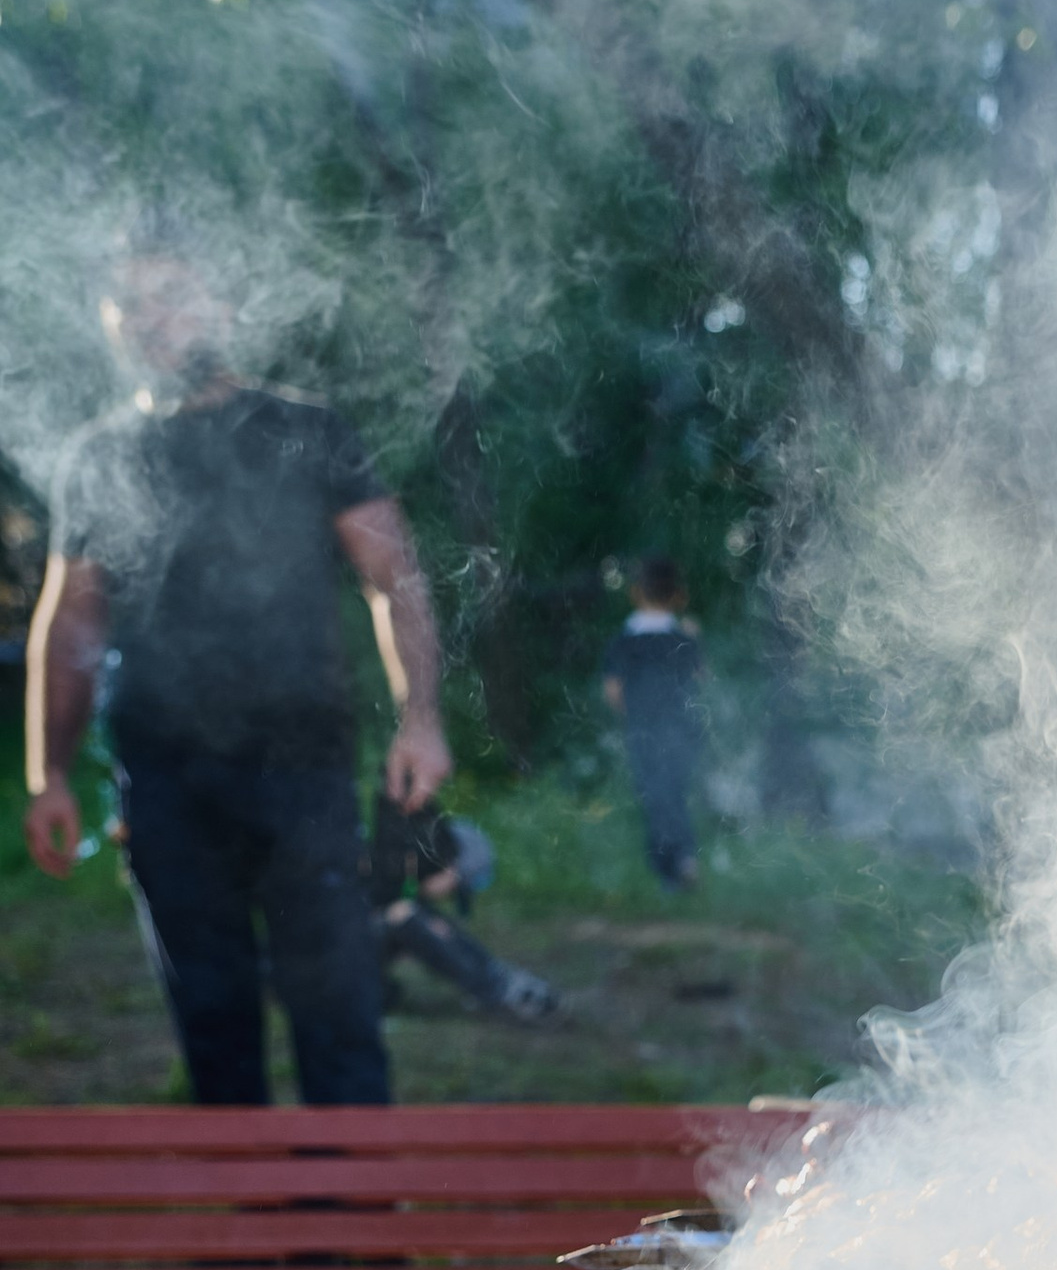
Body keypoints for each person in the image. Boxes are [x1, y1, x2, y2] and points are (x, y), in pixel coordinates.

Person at [22, 235, 451, 1105]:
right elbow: (68, 623)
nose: (156, 321)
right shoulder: (99, 457)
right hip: (168, 783)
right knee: (214, 1032)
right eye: (133, 306)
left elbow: (393, 576)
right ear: (112, 326)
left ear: (219, 304)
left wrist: (422, 718)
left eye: (173, 295)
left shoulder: (307, 427)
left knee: (338, 1017)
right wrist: (51, 774)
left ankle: (354, 1238)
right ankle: (252, 1242)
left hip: (304, 770)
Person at [370, 795, 559, 1025]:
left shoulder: (405, 882)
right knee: (408, 918)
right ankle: (500, 990)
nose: (450, 893)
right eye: (456, 886)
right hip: (328, 953)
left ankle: (501, 981)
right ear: (450, 867)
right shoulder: (389, 865)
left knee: (418, 918)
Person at [603, 556, 703, 888]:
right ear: (677, 595)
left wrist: (630, 716)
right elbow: (702, 680)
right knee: (674, 790)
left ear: (635, 593)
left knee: (654, 793)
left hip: (643, 728)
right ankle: (683, 859)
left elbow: (613, 691)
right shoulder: (682, 637)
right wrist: (694, 638)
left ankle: (671, 868)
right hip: (681, 727)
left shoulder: (625, 639)